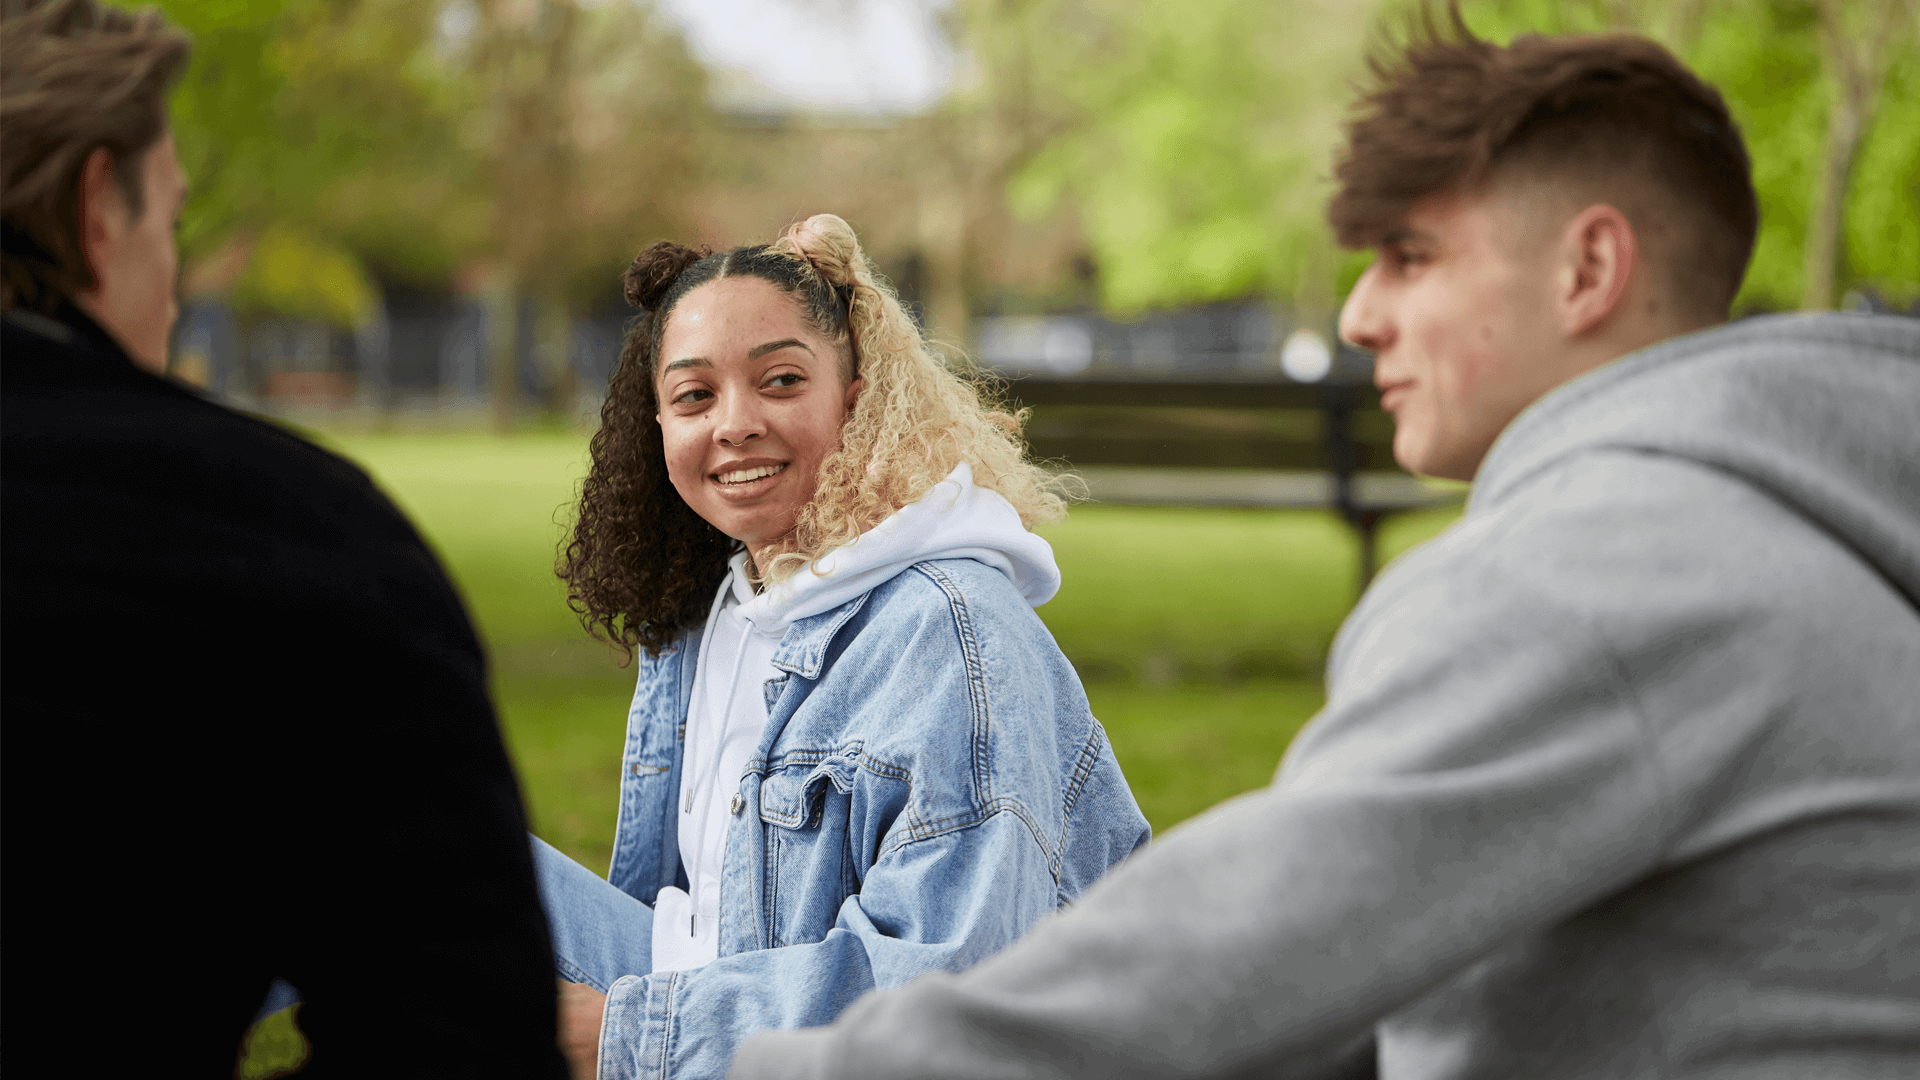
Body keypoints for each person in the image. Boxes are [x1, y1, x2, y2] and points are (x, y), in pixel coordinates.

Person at [724, 13, 1920, 1080]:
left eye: (1412, 257)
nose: (1358, 314)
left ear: (1590, 268)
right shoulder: (1794, 530)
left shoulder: (1610, 578)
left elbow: (1223, 961)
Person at [1, 0, 568, 1073]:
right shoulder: (295, 539)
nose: (170, 289)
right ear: (94, 211)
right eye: (169, 224)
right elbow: (460, 1037)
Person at [536, 214, 1152, 1078]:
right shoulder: (721, 605)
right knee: (354, 828)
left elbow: (951, 986)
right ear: (658, 425)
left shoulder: (952, 632)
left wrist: (629, 1037)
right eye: (694, 396)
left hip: (823, 1053)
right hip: (706, 1003)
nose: (735, 423)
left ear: (856, 402)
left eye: (781, 381)